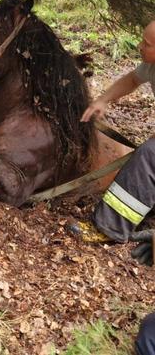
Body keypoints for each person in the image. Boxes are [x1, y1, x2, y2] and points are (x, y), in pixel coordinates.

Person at [68, 20, 155, 251]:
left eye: (146, 44)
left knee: (148, 158)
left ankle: (109, 229)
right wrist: (103, 100)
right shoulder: (151, 66)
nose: (139, 46)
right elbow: (133, 79)